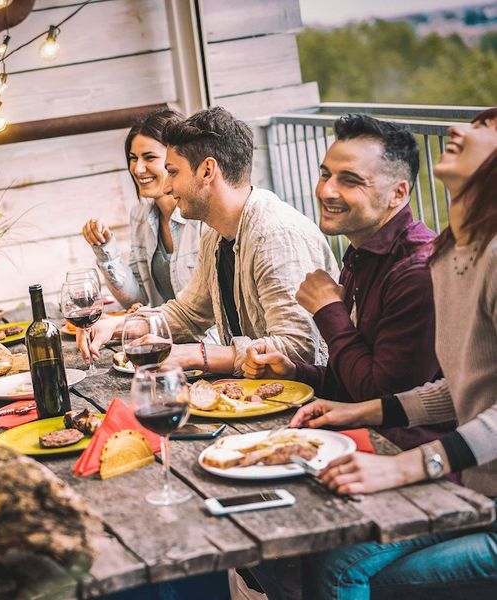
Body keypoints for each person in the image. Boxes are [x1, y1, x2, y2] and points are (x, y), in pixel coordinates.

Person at [254, 108, 497, 599]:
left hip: (477, 494)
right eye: (325, 174)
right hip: (471, 483)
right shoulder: (454, 252)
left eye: (486, 127)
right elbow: (465, 387)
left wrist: (404, 467)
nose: (458, 128)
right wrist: (369, 409)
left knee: (340, 567)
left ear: (398, 194)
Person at [241, 114, 450, 451]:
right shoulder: (363, 252)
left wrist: (328, 310)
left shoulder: (417, 273)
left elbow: (380, 399)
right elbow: (352, 382)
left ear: (398, 193)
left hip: (410, 455)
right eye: (325, 174)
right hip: (363, 436)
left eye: (350, 180)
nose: (326, 190)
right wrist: (294, 374)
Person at [77, 107, 338, 375]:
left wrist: (195, 355)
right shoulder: (215, 233)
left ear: (207, 171)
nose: (167, 187)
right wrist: (118, 326)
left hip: (311, 401)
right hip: (255, 392)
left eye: (174, 172)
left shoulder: (276, 235)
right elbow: (188, 313)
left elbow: (298, 349)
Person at [81, 109, 204, 307]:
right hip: (162, 334)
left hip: (207, 337)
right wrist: (105, 249)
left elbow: (209, 311)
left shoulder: (203, 219)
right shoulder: (139, 215)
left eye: (149, 157)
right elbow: (138, 299)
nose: (138, 169)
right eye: (133, 158)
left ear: (176, 159)